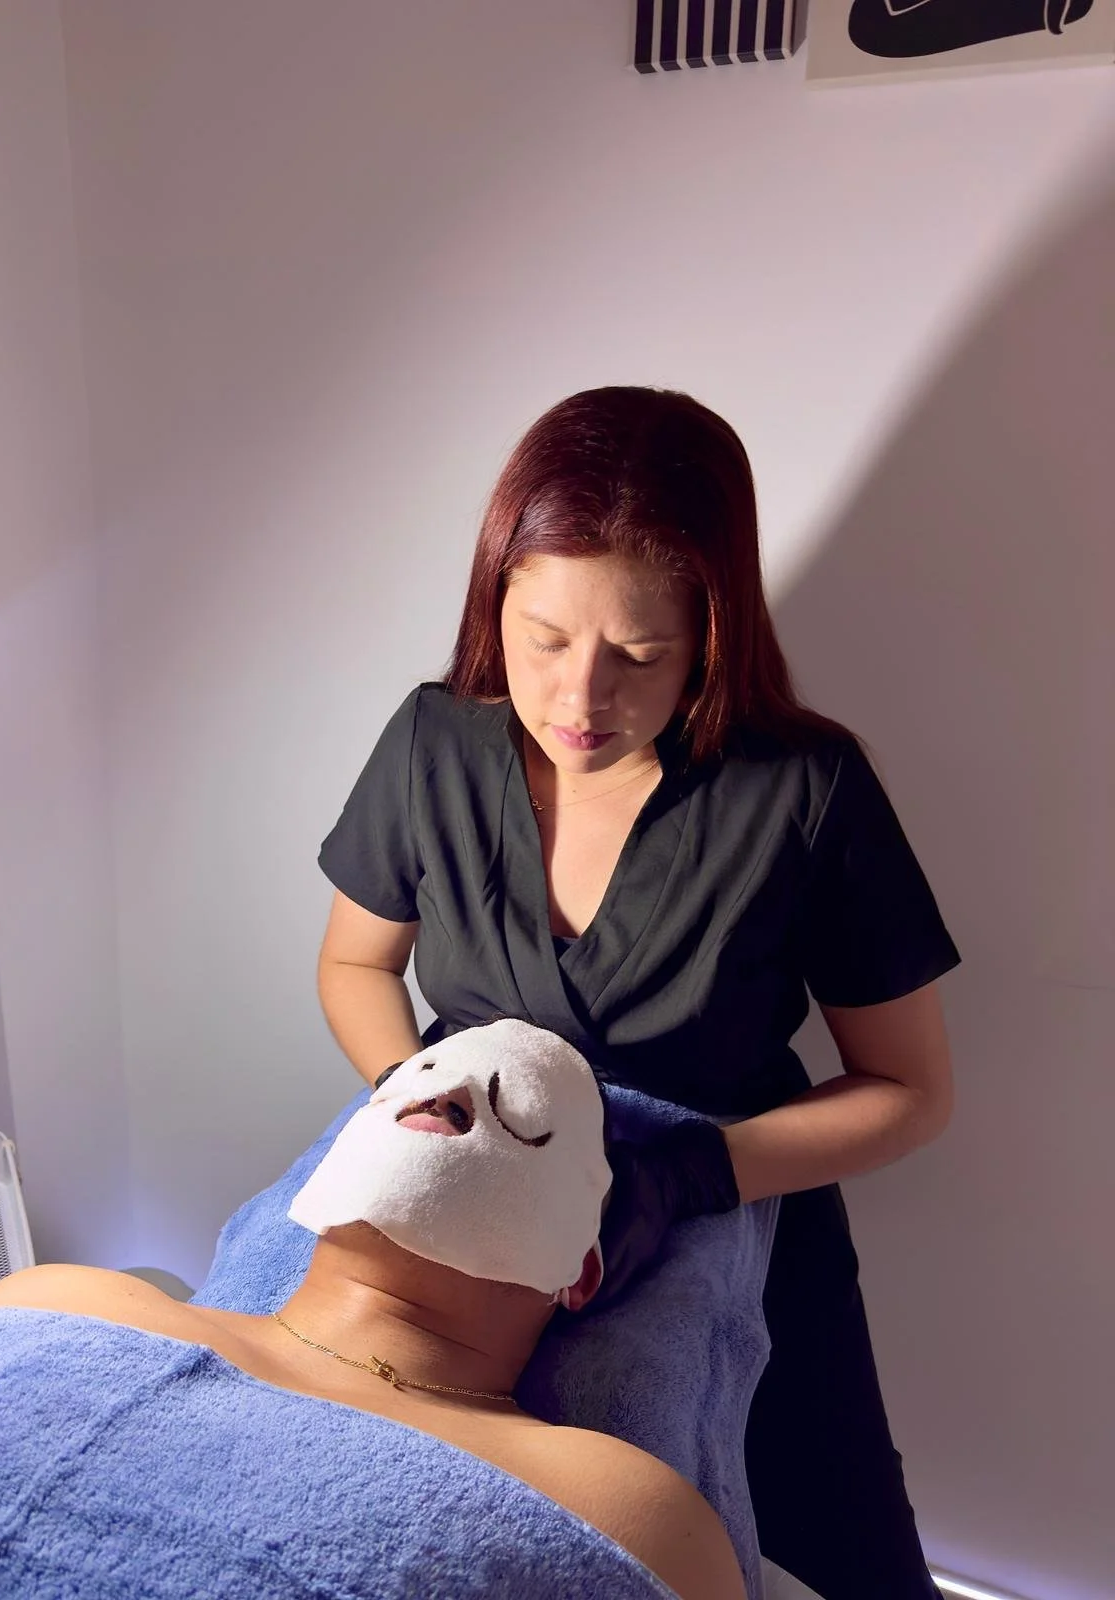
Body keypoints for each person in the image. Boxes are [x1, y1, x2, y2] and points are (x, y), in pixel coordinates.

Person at [316, 387, 960, 1600]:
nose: (578, 700)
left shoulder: (805, 789)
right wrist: (429, 1110)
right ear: (495, 600)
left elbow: (912, 1091)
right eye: (545, 638)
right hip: (475, 1210)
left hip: (722, 1207)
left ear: (712, 637)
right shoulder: (433, 743)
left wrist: (690, 1176)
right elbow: (355, 963)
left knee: (832, 1558)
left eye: (641, 655)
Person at [0, 1020, 746, 1600]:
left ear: (582, 1271)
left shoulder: (622, 1508)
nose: (447, 1089)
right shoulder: (60, 1296)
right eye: (417, 1081)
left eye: (520, 1108)